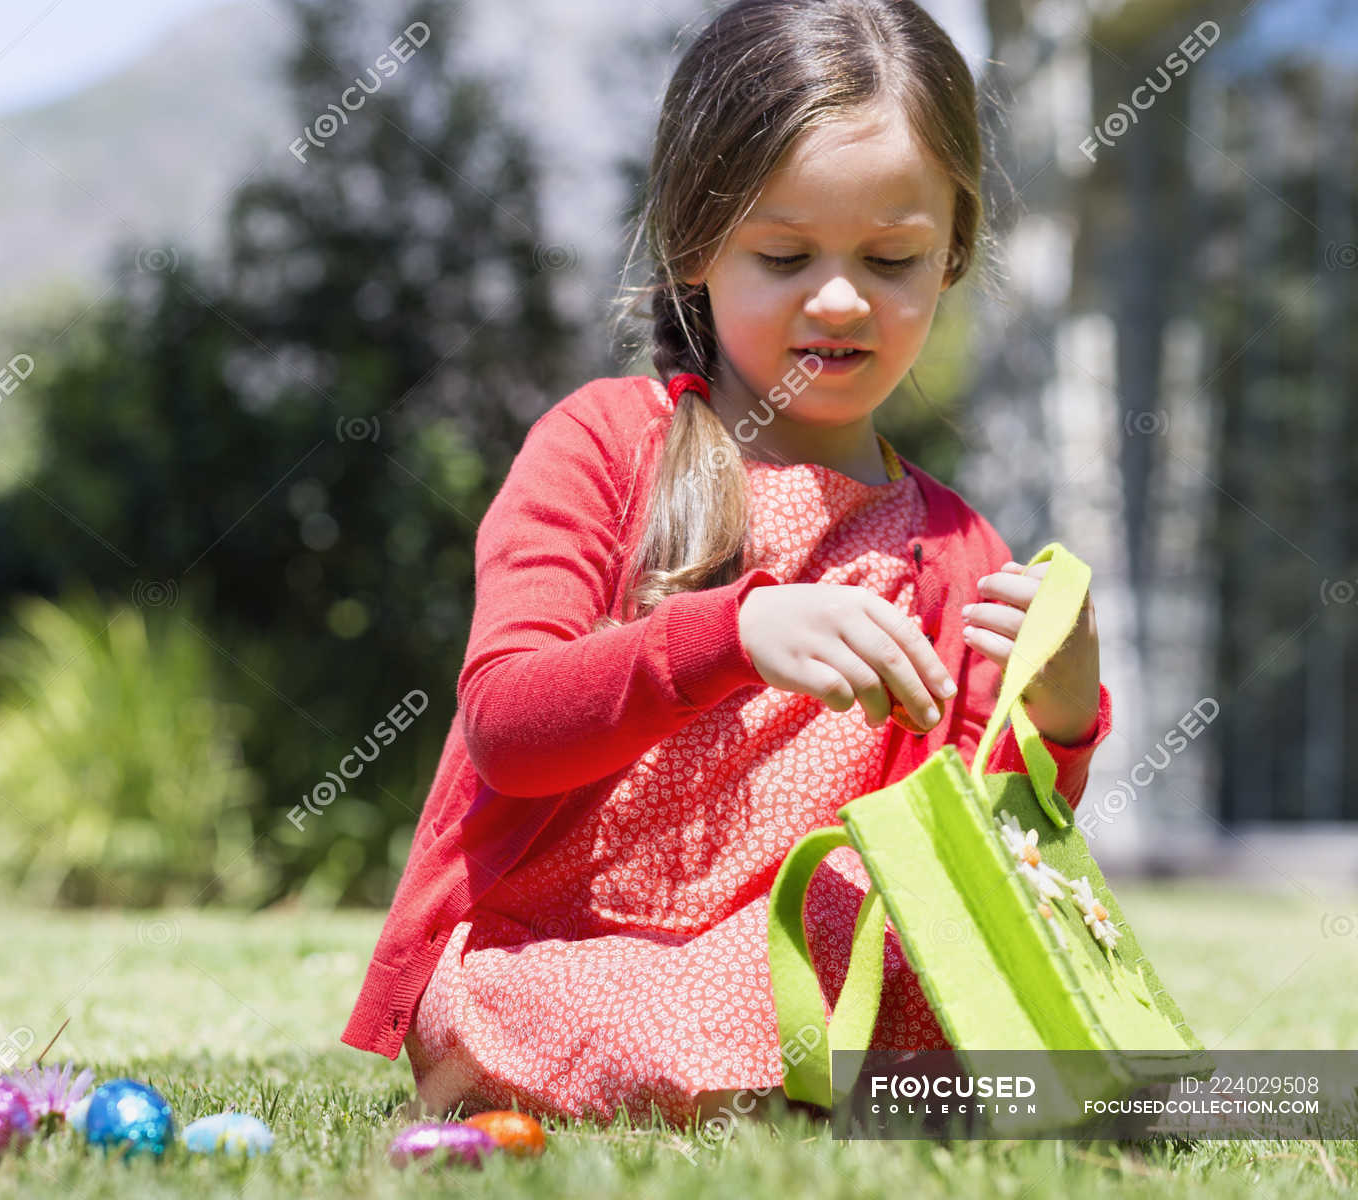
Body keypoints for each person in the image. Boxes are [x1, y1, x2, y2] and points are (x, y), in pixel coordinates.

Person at [340, 0, 1112, 1130]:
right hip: (561, 951)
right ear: (696, 243)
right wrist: (732, 633)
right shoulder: (602, 447)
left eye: (892, 258)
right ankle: (798, 1081)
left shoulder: (955, 548)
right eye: (785, 255)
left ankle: (793, 1073)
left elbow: (973, 858)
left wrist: (1062, 715)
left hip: (797, 959)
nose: (840, 298)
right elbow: (506, 723)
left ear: (952, 254)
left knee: (896, 948)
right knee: (541, 1005)